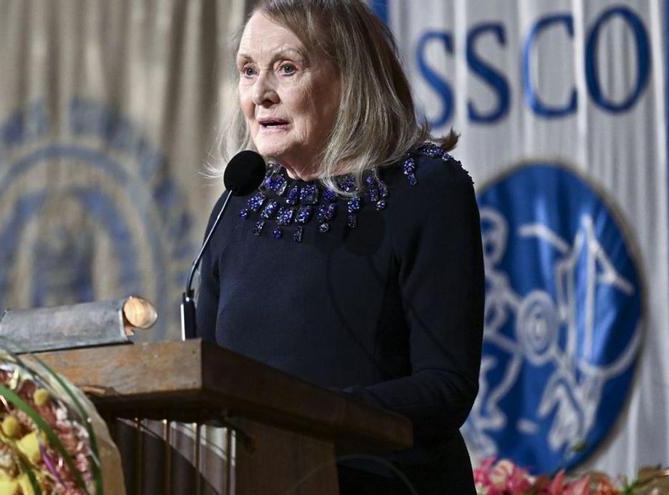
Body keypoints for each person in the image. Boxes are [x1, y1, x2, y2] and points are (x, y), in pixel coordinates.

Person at [195, 1, 484, 493]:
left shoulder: (425, 190)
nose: (261, 94)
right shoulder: (238, 205)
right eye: (248, 71)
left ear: (351, 77)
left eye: (286, 68)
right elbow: (204, 382)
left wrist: (305, 416)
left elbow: (445, 386)